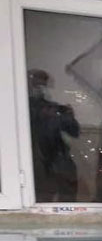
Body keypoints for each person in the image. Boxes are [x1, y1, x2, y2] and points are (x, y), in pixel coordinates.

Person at [28, 69, 81, 202]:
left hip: (56, 160)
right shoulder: (21, 108)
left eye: (43, 85)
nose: (40, 88)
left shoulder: (53, 108)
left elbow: (74, 132)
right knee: (40, 198)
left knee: (68, 193)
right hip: (34, 162)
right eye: (36, 84)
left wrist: (68, 116)